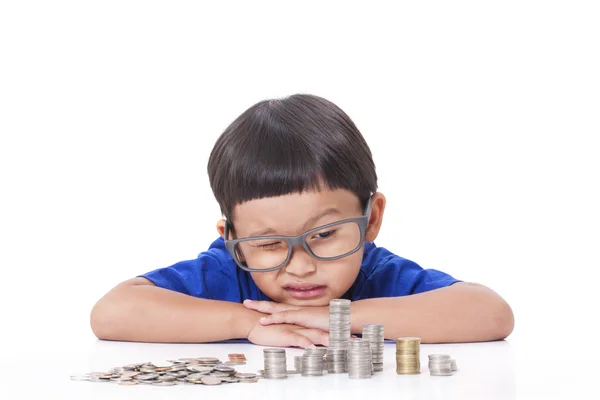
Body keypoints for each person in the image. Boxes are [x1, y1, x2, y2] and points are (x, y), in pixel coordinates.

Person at [90, 94, 514, 348]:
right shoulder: (227, 272)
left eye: (325, 234)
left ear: (371, 220)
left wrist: (342, 317)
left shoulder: (376, 275)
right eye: (268, 243)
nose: (300, 266)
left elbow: (492, 314)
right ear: (230, 237)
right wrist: (248, 322)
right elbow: (111, 313)